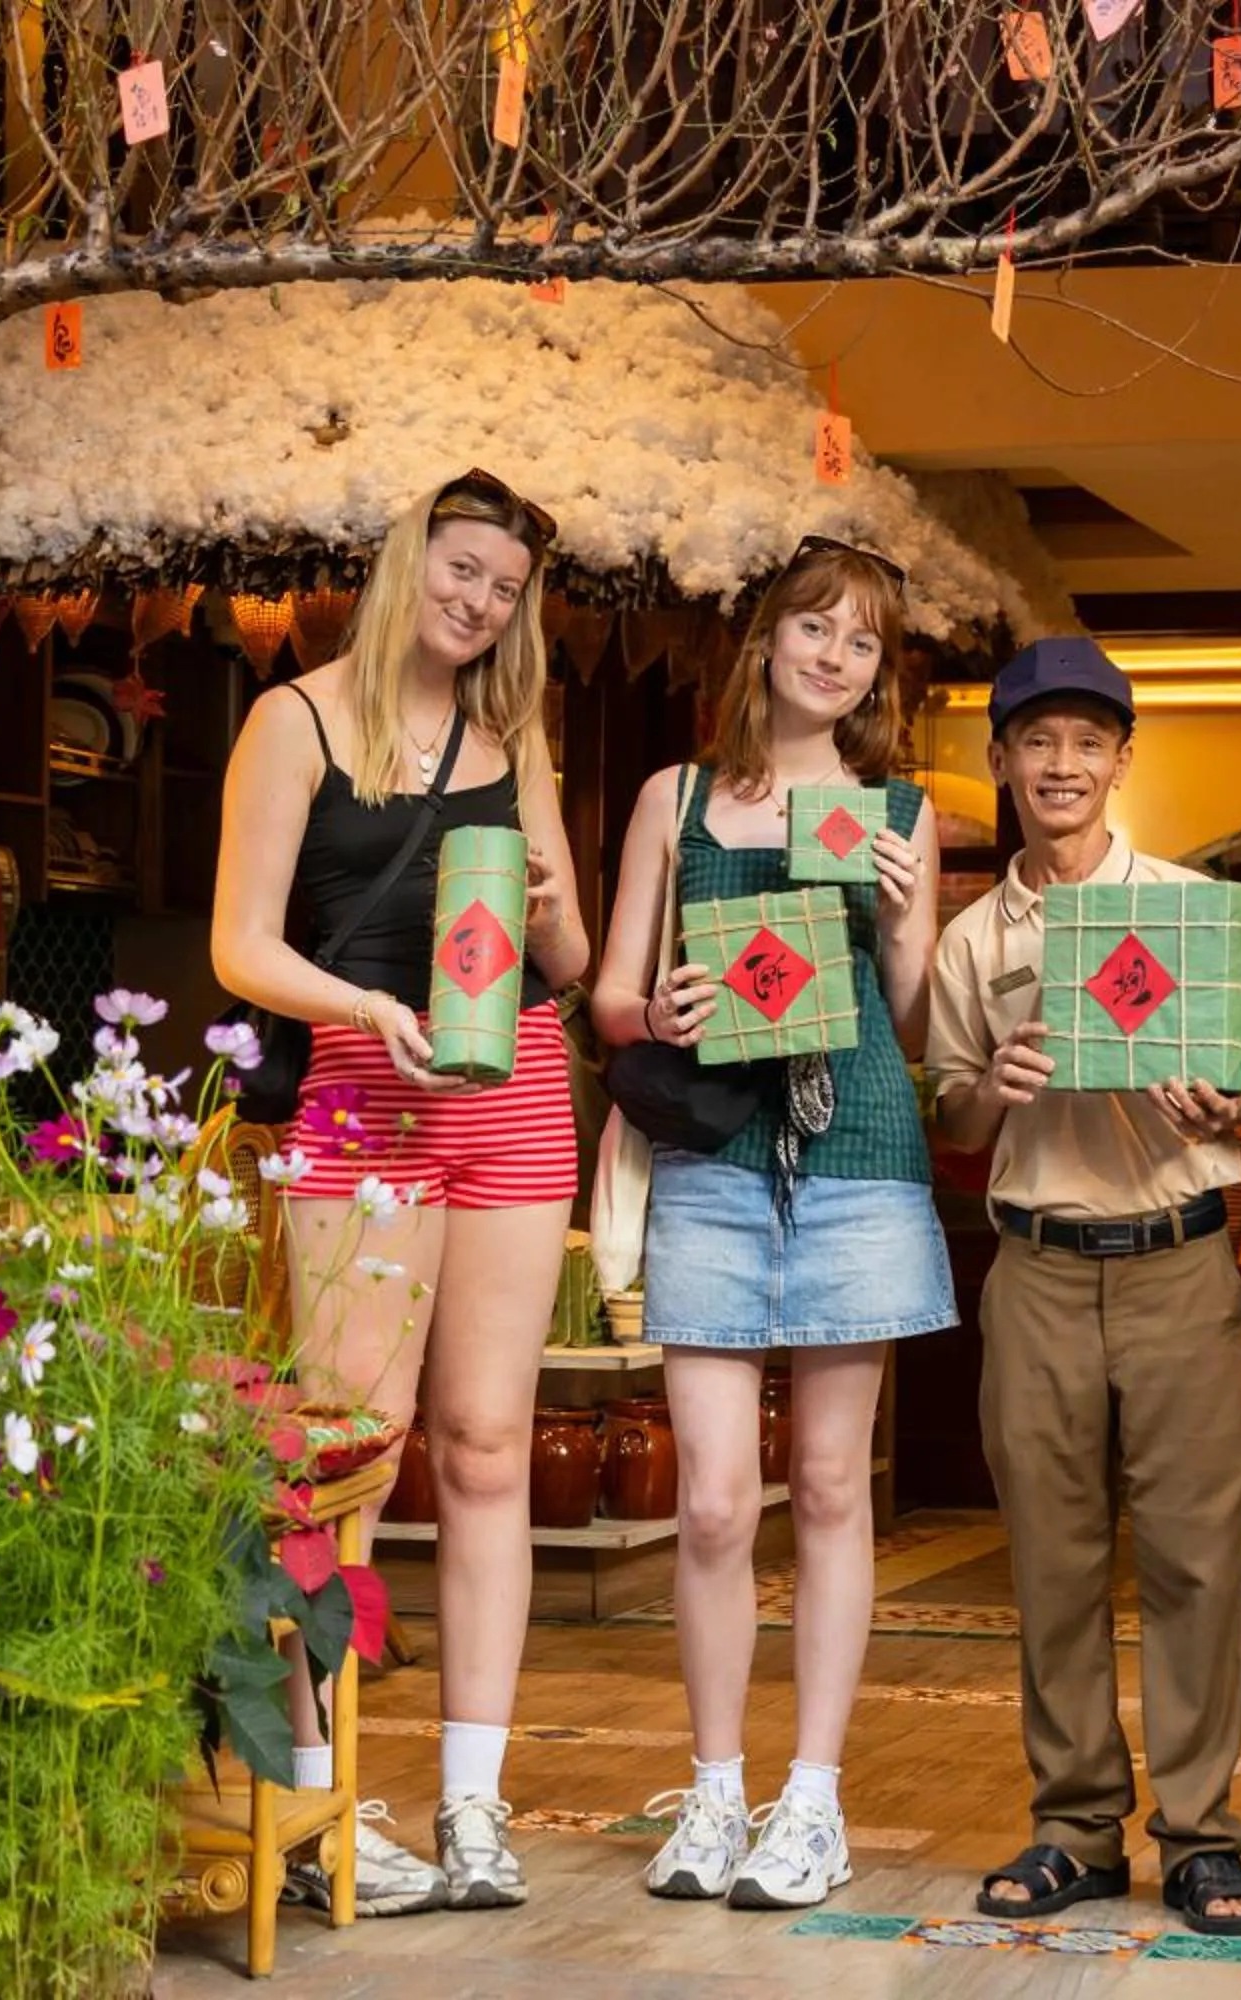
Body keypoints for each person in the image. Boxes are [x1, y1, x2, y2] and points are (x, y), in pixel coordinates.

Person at [210, 466, 589, 1914]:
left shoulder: (514, 730)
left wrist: (549, 913)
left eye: (506, 589)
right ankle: (320, 1806)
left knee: (488, 1447)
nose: (480, 603)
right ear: (405, 563)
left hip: (514, 1089)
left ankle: (476, 1804)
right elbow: (242, 947)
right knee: (340, 1457)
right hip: (365, 1095)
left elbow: (564, 959)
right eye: (463, 569)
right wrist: (369, 1011)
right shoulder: (295, 721)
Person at [589, 534, 953, 1912]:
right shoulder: (676, 798)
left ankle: (813, 1799)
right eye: (815, 627)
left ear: (877, 674)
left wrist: (906, 921)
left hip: (858, 1155)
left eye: (862, 642)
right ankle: (715, 1789)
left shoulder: (897, 812)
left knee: (838, 1487)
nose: (834, 656)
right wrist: (657, 1008)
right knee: (713, 1501)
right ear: (765, 640)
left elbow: (912, 1022)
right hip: (714, 1164)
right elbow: (611, 996)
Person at [927, 638, 1241, 1939]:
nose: (1061, 764)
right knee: (1052, 1562)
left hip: (1179, 1259)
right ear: (1003, 760)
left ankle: (1202, 1837)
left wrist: (1221, 1100)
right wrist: (989, 1086)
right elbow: (952, 1110)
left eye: (1087, 741)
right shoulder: (973, 939)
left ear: (1122, 761)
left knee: (1197, 1561)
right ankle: (1074, 1828)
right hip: (1037, 1268)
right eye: (1037, 741)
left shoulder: (1189, 910)